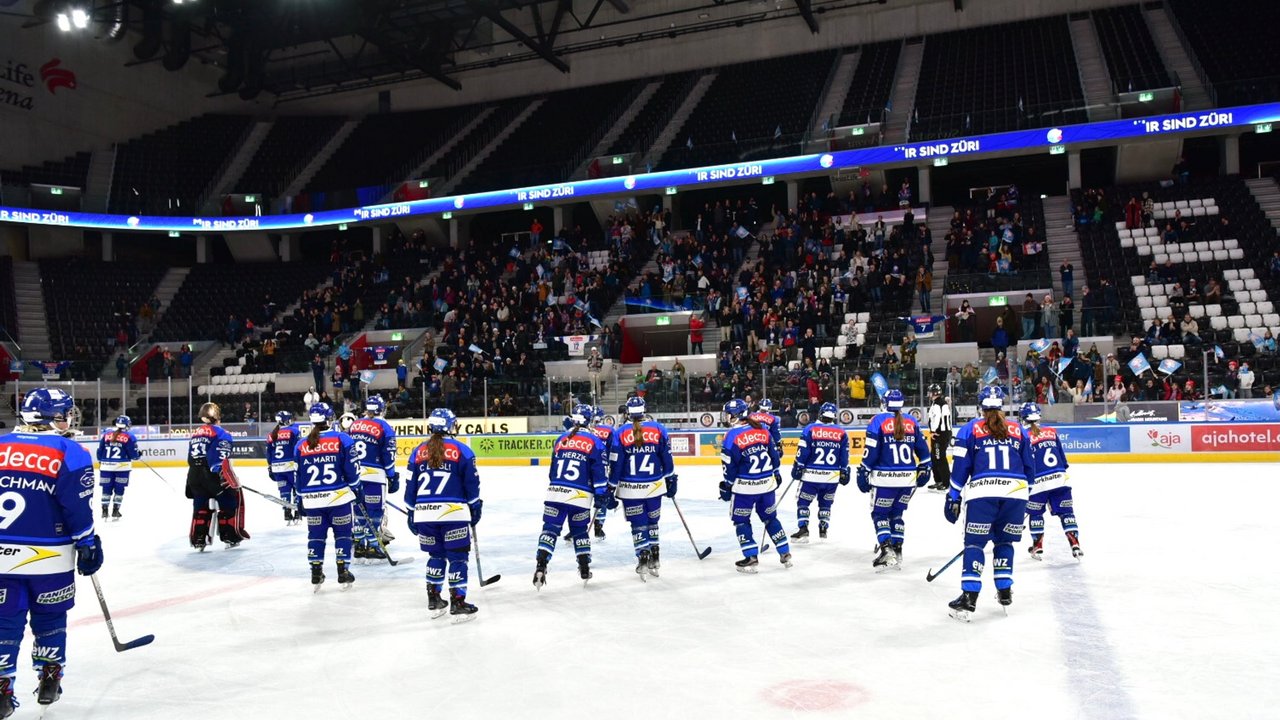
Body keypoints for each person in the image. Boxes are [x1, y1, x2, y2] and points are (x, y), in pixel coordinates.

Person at [0, 388, 103, 714]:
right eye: (65, 413)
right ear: (54, 418)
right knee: (50, 618)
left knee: (4, 621)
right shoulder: (69, 451)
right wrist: (87, 543)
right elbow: (77, 508)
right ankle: (49, 677)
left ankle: (2, 688)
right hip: (50, 559)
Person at [943, 386, 1034, 621]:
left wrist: (953, 495)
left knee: (975, 545)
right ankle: (1004, 590)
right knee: (1004, 541)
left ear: (980, 406)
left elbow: (961, 467)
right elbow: (1029, 468)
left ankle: (969, 597)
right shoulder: (1019, 430)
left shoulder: (970, 429)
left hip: (983, 493)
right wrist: (1026, 496)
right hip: (1016, 494)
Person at [405, 408, 482, 619]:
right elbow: (472, 485)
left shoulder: (417, 451)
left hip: (424, 514)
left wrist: (411, 513)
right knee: (458, 558)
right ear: (450, 425)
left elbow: (410, 487)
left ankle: (434, 599)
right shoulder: (462, 450)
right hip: (453, 514)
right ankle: (458, 601)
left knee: (435, 555)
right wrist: (475, 506)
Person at [534, 404, 610, 589]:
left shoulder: (561, 439)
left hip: (555, 493)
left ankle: (541, 565)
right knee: (579, 531)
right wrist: (601, 494)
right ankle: (584, 567)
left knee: (549, 530)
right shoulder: (594, 441)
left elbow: (552, 472)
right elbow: (600, 472)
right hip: (579, 496)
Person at [857, 389, 931, 570]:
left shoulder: (878, 421)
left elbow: (871, 451)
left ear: (884, 403)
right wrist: (925, 467)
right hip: (907, 479)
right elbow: (923, 451)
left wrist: (863, 471)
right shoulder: (912, 421)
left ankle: (886, 548)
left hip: (884, 479)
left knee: (880, 514)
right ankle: (897, 549)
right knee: (897, 515)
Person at [719, 398, 792, 573]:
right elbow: (775, 456)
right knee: (770, 518)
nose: (726, 417)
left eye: (728, 414)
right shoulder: (763, 431)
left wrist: (727, 486)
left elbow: (729, 466)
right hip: (767, 485)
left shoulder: (731, 436)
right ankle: (784, 552)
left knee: (741, 520)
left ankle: (751, 556)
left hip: (745, 488)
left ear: (736, 416)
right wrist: (775, 472)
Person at [294, 402, 360, 591]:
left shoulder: (301, 444)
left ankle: (316, 573)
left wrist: (299, 498)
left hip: (312, 501)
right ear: (330, 418)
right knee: (343, 535)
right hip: (339, 498)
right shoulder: (342, 439)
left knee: (315, 536)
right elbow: (352, 470)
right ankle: (343, 571)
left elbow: (299, 477)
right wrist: (358, 489)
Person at [608, 397, 676, 579]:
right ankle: (656, 556)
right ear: (645, 409)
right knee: (653, 522)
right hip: (655, 486)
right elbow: (667, 460)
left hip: (630, 489)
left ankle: (643, 557)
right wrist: (671, 479)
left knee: (639, 524)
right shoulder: (659, 429)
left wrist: (610, 487)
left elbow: (616, 463)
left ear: (628, 412)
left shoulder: (620, 432)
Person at [1021, 403, 1083, 560]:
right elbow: (1064, 461)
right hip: (1060, 480)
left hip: (1037, 484)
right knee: (1067, 513)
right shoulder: (1051, 431)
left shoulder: (1023, 436)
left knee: (1035, 514)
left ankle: (1038, 547)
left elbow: (1023, 464)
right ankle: (1075, 544)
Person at [186, 402, 249, 551]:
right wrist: (225, 478)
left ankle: (198, 539)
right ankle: (229, 536)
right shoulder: (222, 433)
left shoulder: (196, 433)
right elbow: (219, 460)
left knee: (200, 506)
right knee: (229, 503)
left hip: (193, 475)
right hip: (212, 475)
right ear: (217, 417)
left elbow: (190, 458)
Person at [347, 395, 400, 561]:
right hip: (375, 476)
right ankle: (373, 546)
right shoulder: (385, 427)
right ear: (381, 409)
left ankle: (358, 545)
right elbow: (388, 455)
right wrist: (392, 476)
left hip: (355, 475)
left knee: (358, 510)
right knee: (375, 511)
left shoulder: (355, 424)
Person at [789, 402, 849, 543]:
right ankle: (823, 529)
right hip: (831, 477)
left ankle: (803, 529)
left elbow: (803, 451)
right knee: (825, 504)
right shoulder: (841, 432)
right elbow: (844, 455)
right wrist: (844, 470)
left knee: (803, 502)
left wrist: (798, 466)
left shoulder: (811, 429)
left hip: (811, 476)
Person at [96, 415, 140, 520]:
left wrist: (101, 461)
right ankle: (115, 511)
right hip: (122, 467)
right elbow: (134, 455)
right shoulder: (130, 437)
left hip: (106, 467)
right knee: (119, 489)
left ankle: (104, 511)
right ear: (128, 424)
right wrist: (138, 455)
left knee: (106, 489)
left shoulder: (106, 434)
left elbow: (99, 451)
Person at [266, 411, 303, 525]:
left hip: (277, 467)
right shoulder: (294, 431)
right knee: (297, 489)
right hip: (291, 466)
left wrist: (270, 466)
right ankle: (298, 512)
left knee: (284, 491)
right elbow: (298, 448)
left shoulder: (272, 434)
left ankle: (287, 513)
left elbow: (269, 453)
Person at [586, 407, 615, 540]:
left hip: (584, 468)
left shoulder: (582, 431)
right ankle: (598, 526)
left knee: (583, 496)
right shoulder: (609, 430)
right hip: (602, 468)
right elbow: (615, 450)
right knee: (601, 494)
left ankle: (577, 528)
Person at [926, 387, 953, 492]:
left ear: (934, 393)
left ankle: (946, 482)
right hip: (940, 433)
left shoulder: (938, 404)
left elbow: (937, 419)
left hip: (940, 434)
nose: (929, 394)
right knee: (934, 457)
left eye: (930, 392)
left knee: (939, 457)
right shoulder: (938, 403)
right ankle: (939, 480)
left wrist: (933, 431)